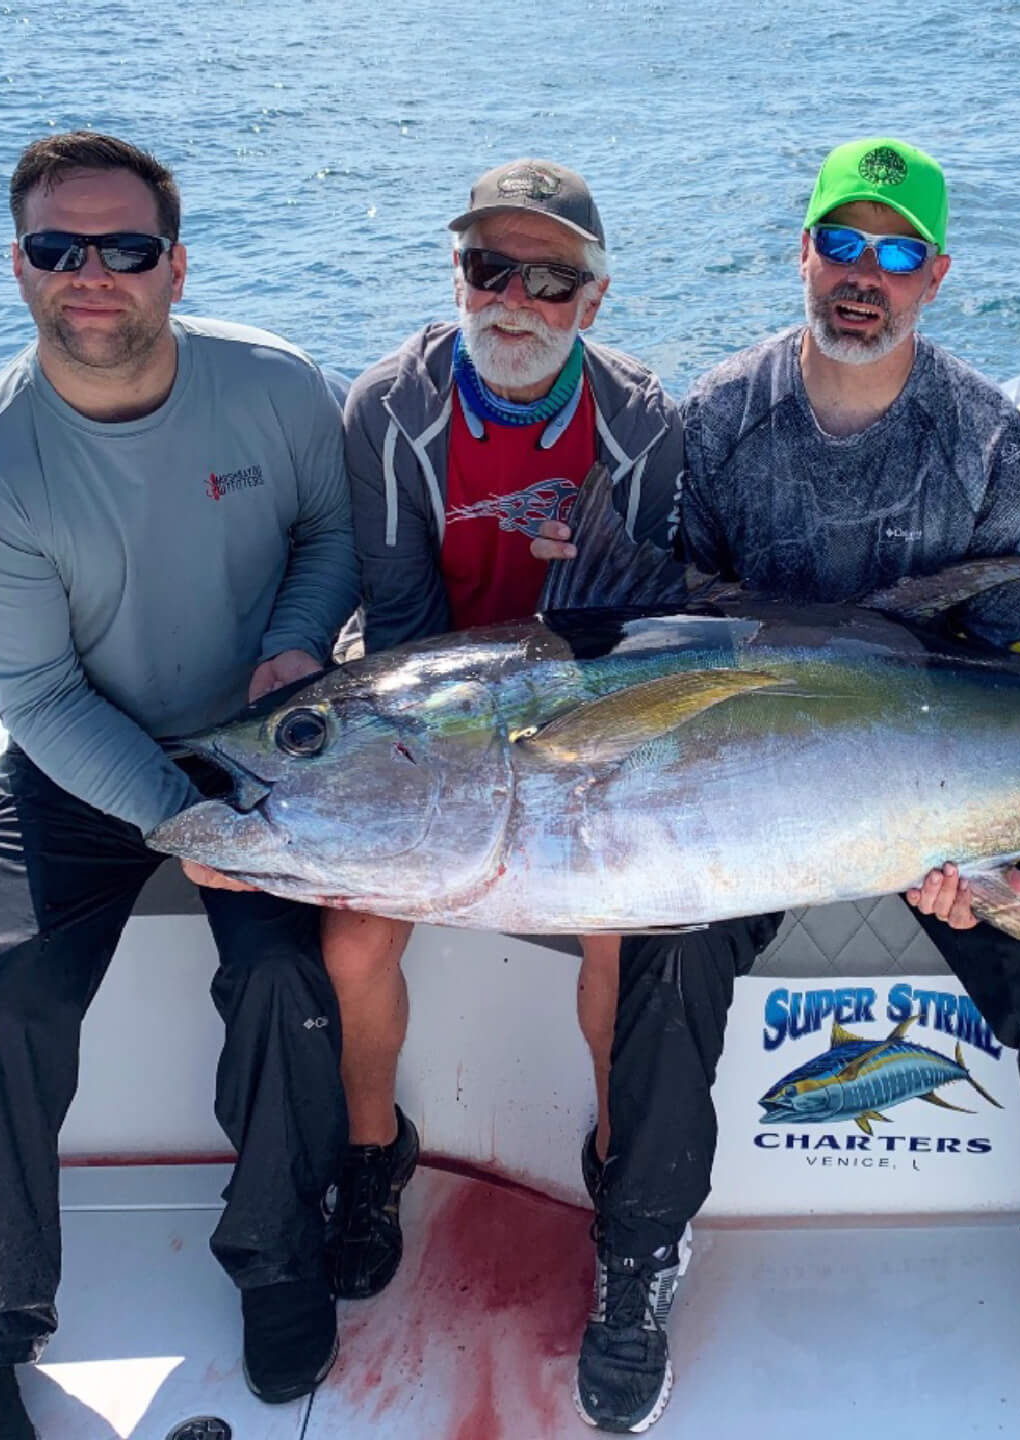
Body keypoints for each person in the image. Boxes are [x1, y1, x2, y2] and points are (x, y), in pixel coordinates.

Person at [536, 137, 1020, 1440]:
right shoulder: (714, 423)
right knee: (662, 959)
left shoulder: (985, 434)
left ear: (935, 275)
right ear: (805, 251)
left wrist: (991, 825)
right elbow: (661, 653)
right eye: (844, 243)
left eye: (896, 254)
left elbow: (994, 662)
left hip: (934, 799)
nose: (863, 277)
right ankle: (641, 1258)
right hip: (742, 807)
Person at [0, 132, 359, 1439]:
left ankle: (279, 1259)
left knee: (287, 980)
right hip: (83, 758)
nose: (89, 274)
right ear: (20, 268)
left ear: (175, 264)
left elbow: (330, 535)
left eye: (123, 248)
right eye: (58, 249)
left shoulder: (273, 387)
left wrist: (294, 643)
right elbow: (42, 701)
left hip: (269, 742)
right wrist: (176, 813)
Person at [325, 158, 684, 1300]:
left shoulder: (637, 419)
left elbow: (633, 634)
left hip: (578, 693)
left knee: (618, 941)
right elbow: (399, 618)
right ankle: (375, 1150)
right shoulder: (391, 405)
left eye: (548, 277)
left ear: (593, 299)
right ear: (458, 272)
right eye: (491, 268)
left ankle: (620, 1162)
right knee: (354, 935)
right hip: (427, 687)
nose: (514, 300)